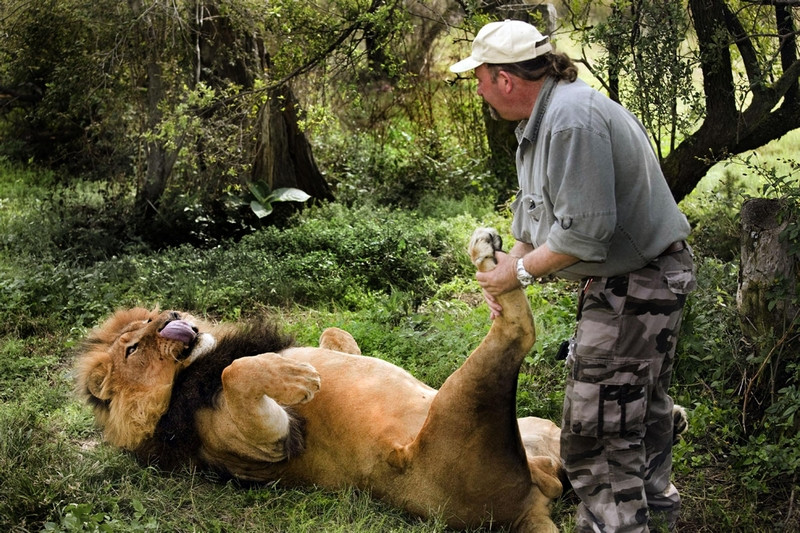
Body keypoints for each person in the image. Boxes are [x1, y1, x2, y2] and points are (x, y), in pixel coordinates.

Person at [450, 19, 696, 533]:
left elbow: (584, 236)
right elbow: (535, 225)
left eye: (479, 78)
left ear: (504, 79)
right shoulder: (541, 123)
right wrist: (508, 275)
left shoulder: (569, 122)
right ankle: (655, 508)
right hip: (633, 279)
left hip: (639, 282)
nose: (477, 90)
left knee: (598, 425)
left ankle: (617, 524)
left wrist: (517, 272)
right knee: (639, 404)